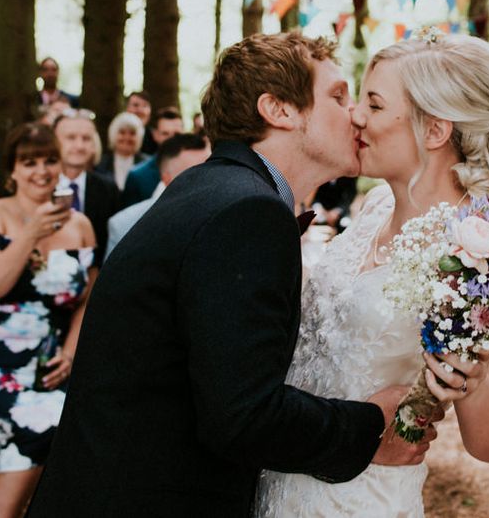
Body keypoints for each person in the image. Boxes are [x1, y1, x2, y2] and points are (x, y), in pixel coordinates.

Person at [27, 33, 428, 517]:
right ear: (279, 109)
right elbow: (243, 416)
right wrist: (367, 429)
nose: (357, 115)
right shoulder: (247, 212)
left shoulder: (212, 188)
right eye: (339, 97)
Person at [256, 32, 489, 516]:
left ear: (434, 131)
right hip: (280, 473)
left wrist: (471, 383)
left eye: (375, 104)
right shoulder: (374, 204)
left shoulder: (487, 250)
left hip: (360, 499)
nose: (356, 115)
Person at [0, 124, 95, 517]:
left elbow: (86, 301)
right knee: (43, 424)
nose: (41, 171)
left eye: (49, 160)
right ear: (12, 170)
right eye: (28, 162)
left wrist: (68, 354)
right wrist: (30, 232)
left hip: (52, 366)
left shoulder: (80, 225)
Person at [105, 133, 210, 260]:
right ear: (167, 180)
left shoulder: (229, 213)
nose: (208, 181)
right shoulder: (125, 226)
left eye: (213, 170)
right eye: (195, 176)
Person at [53, 110, 119, 267]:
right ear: (54, 142)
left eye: (86, 138)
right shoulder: (39, 186)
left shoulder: (108, 188)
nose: (79, 145)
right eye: (71, 138)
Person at [120, 107, 184, 207]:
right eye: (165, 134)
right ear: (155, 135)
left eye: (177, 134)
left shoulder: (195, 169)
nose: (172, 139)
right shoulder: (137, 176)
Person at [95, 112, 148, 190]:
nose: (127, 137)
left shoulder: (146, 164)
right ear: (113, 134)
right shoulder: (100, 163)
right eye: (122, 132)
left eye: (132, 133)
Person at [125, 91, 157, 155]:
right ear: (127, 109)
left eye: (145, 106)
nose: (140, 110)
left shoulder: (155, 137)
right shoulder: (118, 135)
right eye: (135, 105)